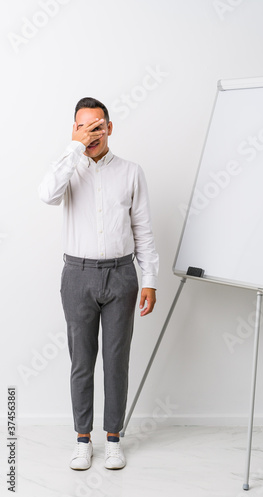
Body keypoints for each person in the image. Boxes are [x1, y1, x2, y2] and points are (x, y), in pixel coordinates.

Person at [38, 97, 159, 471]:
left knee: (116, 361)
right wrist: (75, 148)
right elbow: (46, 194)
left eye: (97, 126)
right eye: (83, 126)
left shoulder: (131, 171)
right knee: (81, 363)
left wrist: (149, 279)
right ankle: (82, 439)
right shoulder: (68, 169)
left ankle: (113, 440)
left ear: (110, 127)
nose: (91, 133)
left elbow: (143, 228)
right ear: (74, 130)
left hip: (122, 275)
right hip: (77, 275)